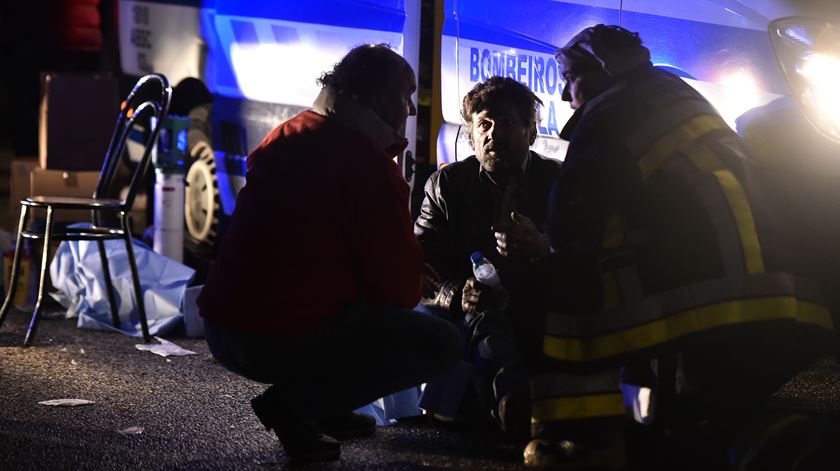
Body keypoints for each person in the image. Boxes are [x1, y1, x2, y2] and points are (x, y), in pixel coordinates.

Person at [522, 25, 836, 469]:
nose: (562, 93)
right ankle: (673, 431)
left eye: (571, 76)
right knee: (710, 422)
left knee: (554, 287)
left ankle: (583, 441)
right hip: (776, 292)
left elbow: (572, 219)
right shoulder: (673, 95)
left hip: (706, 297)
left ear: (604, 69)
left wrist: (548, 252)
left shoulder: (612, 114)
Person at [197, 44, 462, 463]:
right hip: (270, 336)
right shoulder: (367, 165)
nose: (410, 110)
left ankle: (326, 406)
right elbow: (396, 292)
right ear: (375, 98)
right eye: (404, 95)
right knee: (440, 343)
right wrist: (413, 273)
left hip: (222, 326)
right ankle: (297, 406)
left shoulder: (289, 132)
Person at [414, 76, 561, 436]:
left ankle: (506, 401)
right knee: (483, 311)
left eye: (508, 122)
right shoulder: (446, 185)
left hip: (540, 302)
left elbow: (586, 252)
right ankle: (512, 401)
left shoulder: (557, 180)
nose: (494, 134)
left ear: (530, 132)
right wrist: (456, 293)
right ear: (471, 135)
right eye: (484, 124)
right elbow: (418, 268)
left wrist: (544, 248)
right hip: (472, 313)